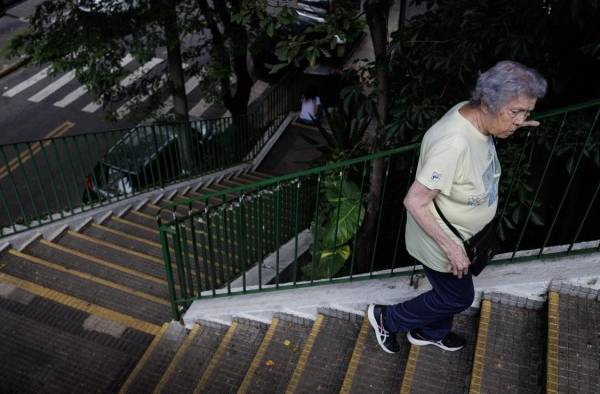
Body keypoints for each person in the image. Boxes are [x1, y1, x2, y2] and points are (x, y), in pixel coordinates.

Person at [368, 60, 547, 353]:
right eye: (515, 112)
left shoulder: (476, 114)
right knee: (458, 297)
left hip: (467, 236)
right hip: (443, 242)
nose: (519, 120)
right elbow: (415, 200)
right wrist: (452, 247)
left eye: (526, 113)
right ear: (488, 103)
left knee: (452, 291)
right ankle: (386, 319)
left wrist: (513, 121)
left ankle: (430, 331)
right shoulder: (453, 144)